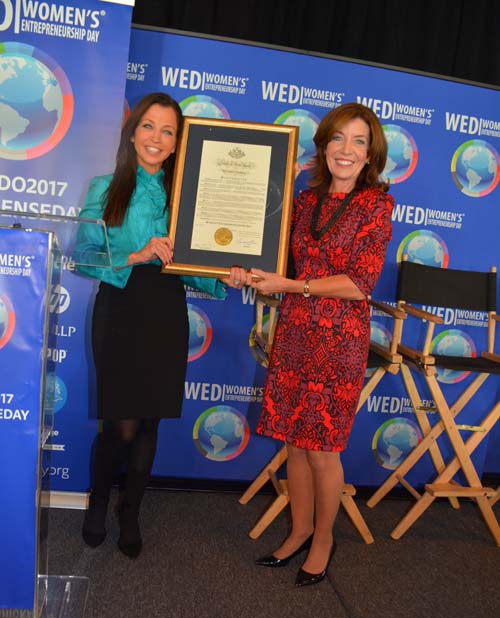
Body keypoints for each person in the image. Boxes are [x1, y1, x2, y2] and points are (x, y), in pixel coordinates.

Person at [76, 92, 242, 558]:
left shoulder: (189, 198)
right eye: (149, 126)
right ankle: (100, 500)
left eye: (168, 131)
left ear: (176, 143)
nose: (156, 138)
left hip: (165, 312)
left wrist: (222, 273)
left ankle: (131, 512)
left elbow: (194, 265)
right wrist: (138, 253)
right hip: (120, 308)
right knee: (119, 426)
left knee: (150, 421)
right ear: (133, 132)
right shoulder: (103, 188)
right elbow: (85, 255)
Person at [247, 102, 394, 586]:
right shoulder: (305, 202)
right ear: (323, 146)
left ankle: (325, 539)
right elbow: (274, 259)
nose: (346, 150)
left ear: (370, 154)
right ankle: (299, 530)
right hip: (294, 333)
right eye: (337, 139)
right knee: (294, 442)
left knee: (322, 450)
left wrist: (291, 287)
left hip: (339, 341)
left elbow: (360, 282)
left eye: (358, 141)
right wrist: (243, 271)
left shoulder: (377, 205)